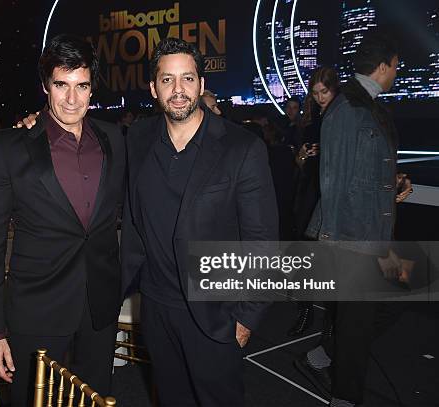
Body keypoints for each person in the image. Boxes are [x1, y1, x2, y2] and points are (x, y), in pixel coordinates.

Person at [120, 37, 278, 406]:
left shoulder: (242, 148)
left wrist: (247, 318)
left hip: (216, 314)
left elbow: (263, 242)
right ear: (153, 88)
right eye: (167, 80)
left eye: (188, 79)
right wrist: (39, 124)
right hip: (156, 308)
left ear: (202, 84)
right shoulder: (138, 138)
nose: (178, 90)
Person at [0, 34, 125, 406]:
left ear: (93, 89)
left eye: (82, 86)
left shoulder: (115, 138)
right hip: (36, 309)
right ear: (45, 86)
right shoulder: (8, 146)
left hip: (99, 307)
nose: (72, 99)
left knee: (95, 398)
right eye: (62, 85)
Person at [296, 30, 413, 406]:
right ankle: (345, 397)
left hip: (371, 229)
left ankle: (325, 351)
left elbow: (361, 171)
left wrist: (392, 182)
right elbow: (333, 180)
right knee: (358, 322)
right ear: (382, 67)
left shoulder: (365, 105)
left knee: (394, 299)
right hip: (354, 235)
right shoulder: (348, 109)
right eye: (395, 66)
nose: (396, 72)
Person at [288, 66, 340, 337]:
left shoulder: (344, 119)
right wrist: (304, 156)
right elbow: (298, 163)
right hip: (309, 194)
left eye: (325, 91)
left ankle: (332, 322)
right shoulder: (309, 122)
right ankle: (306, 312)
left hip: (331, 197)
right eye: (316, 92)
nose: (320, 97)